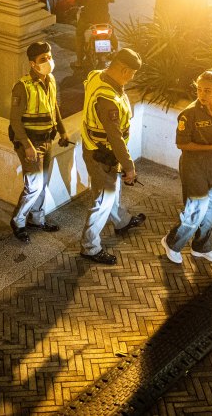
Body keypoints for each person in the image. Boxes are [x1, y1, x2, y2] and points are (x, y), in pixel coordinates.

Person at [160, 69, 212, 265]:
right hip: (193, 165)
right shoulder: (188, 114)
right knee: (197, 208)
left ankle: (202, 247)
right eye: (199, 90)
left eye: (207, 91)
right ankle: (172, 243)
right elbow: (182, 144)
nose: (202, 95)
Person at [79, 48, 146, 265]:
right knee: (102, 201)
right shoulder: (107, 99)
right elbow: (115, 137)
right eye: (132, 73)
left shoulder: (96, 75)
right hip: (103, 154)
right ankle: (90, 247)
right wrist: (129, 166)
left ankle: (122, 222)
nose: (133, 77)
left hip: (101, 150)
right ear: (125, 69)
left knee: (111, 193)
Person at [9, 41, 70, 243]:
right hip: (31, 143)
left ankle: (37, 219)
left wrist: (62, 131)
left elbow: (54, 108)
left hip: (47, 140)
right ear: (32, 64)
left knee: (43, 183)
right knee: (33, 186)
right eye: (43, 59)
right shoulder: (22, 87)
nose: (49, 61)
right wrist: (27, 146)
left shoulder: (50, 79)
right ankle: (18, 221)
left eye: (49, 56)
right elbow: (15, 121)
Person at [73, 0, 117, 67]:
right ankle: (116, 53)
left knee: (79, 35)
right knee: (113, 35)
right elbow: (112, 0)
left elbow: (78, 2)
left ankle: (79, 61)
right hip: (104, 19)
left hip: (88, 20)